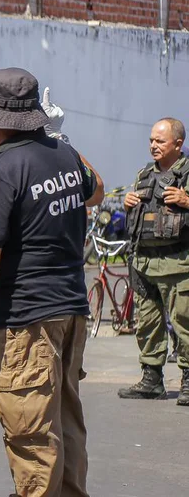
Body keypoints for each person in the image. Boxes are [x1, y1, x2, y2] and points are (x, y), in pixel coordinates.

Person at [0, 68, 104, 497]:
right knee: (66, 422)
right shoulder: (65, 156)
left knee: (32, 434)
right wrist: (61, 140)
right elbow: (98, 192)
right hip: (71, 311)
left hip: (27, 321)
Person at [117, 118, 189, 405]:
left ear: (178, 144)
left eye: (160, 141)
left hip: (179, 263)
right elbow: (134, 218)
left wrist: (186, 200)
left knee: (184, 323)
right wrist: (127, 204)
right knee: (147, 322)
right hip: (145, 263)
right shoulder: (144, 174)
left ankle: (188, 380)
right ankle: (151, 379)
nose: (153, 146)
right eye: (151, 140)